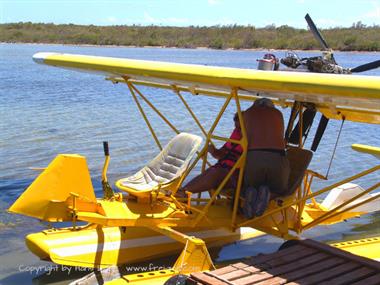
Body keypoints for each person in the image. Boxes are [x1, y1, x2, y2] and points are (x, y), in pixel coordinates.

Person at [177, 113, 243, 197]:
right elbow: (221, 155)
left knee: (216, 173)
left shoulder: (252, 140)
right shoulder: (236, 137)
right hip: (225, 169)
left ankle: (184, 192)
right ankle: (183, 191)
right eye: (236, 127)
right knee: (209, 171)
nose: (237, 130)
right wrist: (214, 151)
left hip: (237, 177)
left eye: (240, 128)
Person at [243, 98, 290, 196]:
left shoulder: (248, 113)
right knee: (279, 190)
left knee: (251, 185)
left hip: (254, 155)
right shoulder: (278, 114)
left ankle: (252, 193)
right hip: (277, 156)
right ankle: (269, 195)